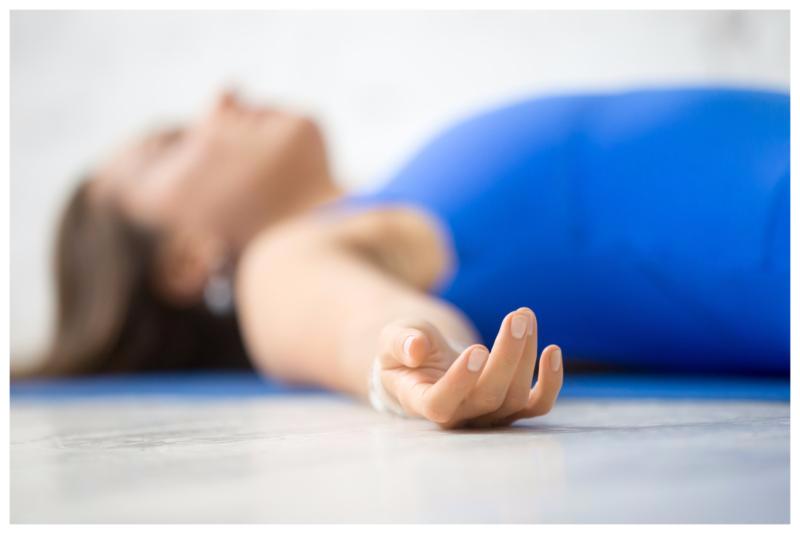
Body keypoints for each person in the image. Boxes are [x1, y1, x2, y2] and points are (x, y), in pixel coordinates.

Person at [24, 87, 789, 429]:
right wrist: (413, 361)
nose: (220, 98)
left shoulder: (393, 193)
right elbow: (355, 319)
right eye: (171, 143)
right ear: (185, 264)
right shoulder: (281, 260)